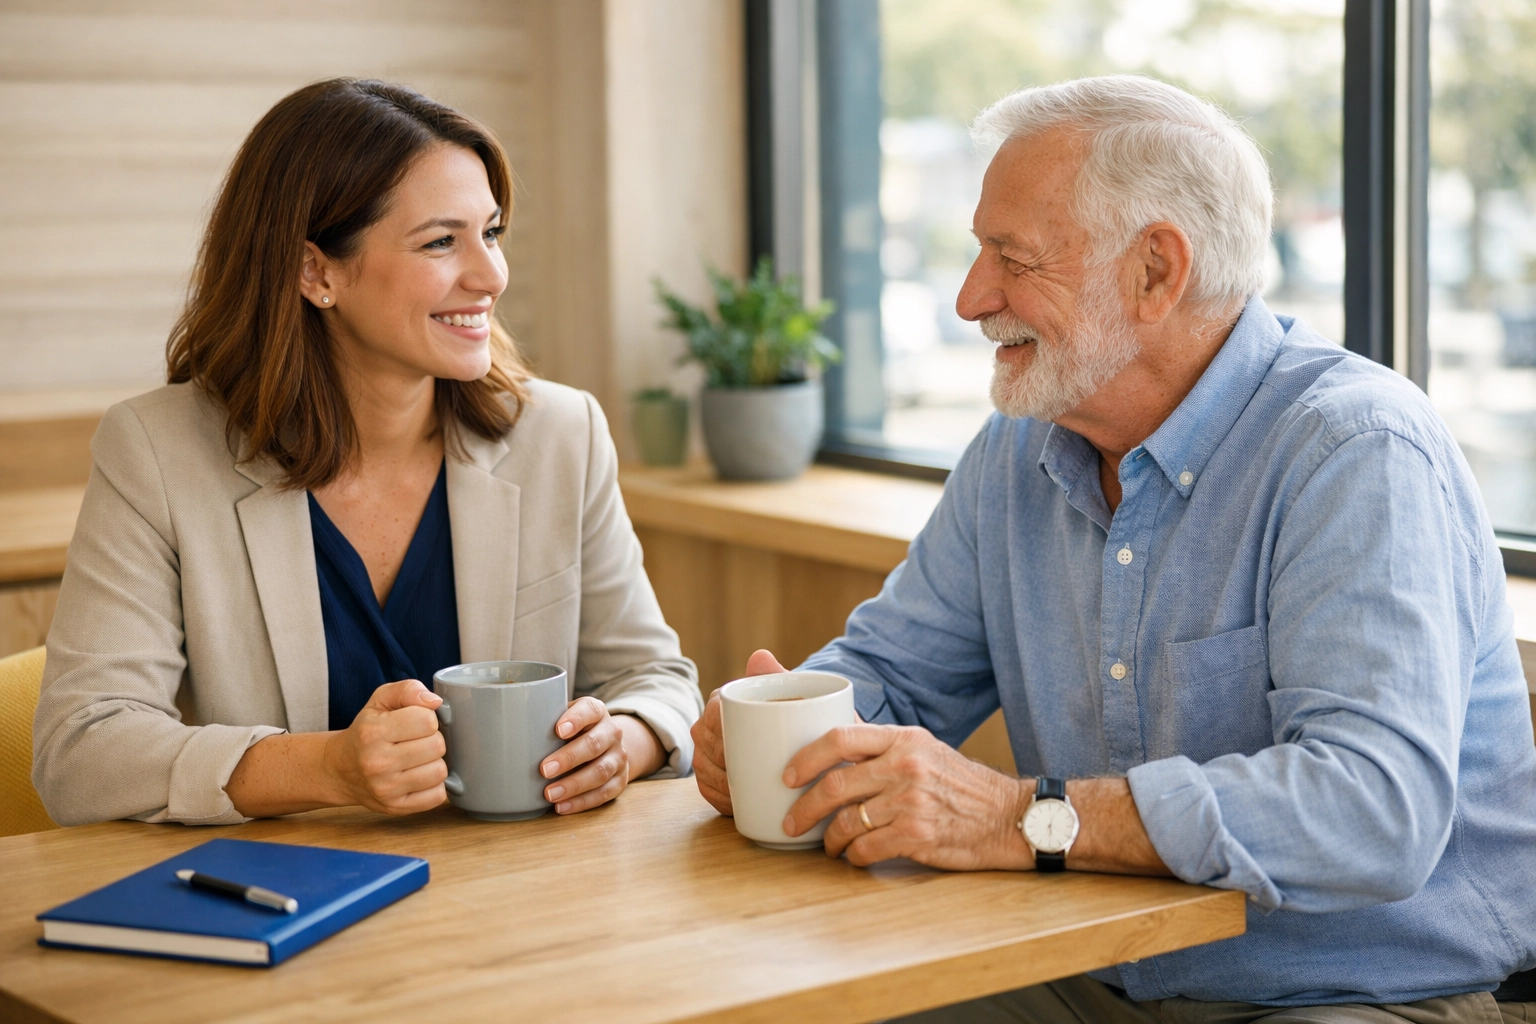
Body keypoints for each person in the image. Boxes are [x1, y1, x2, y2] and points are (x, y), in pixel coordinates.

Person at [692, 75, 1536, 1021]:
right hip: (1086, 971)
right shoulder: (1018, 449)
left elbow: (1374, 812)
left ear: (1155, 272)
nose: (972, 298)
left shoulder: (1355, 453)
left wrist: (1023, 819)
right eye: (978, 252)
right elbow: (894, 670)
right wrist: (792, 738)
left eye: (1013, 258)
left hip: (1350, 994)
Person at [33, 79, 701, 826]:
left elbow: (656, 679)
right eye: (442, 242)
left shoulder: (560, 433)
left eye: (492, 232)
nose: (491, 276)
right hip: (286, 902)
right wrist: (329, 768)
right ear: (316, 272)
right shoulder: (156, 452)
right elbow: (81, 753)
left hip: (520, 901)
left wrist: (628, 740)